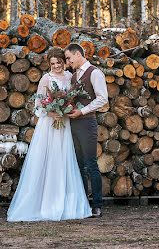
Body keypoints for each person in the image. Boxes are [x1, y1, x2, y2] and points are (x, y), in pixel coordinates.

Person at [6, 48, 92, 222]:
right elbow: (38, 105)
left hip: (65, 123)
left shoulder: (70, 77)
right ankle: (44, 203)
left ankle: (63, 202)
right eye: (52, 63)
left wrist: (65, 109)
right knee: (47, 159)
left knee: (63, 159)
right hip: (49, 125)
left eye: (59, 62)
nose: (56, 66)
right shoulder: (46, 78)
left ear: (64, 61)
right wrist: (52, 113)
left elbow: (73, 98)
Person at [65, 43, 109, 217]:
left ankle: (97, 205)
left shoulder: (95, 73)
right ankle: (83, 204)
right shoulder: (74, 76)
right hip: (74, 123)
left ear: (77, 54)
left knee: (91, 164)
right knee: (79, 165)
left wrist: (82, 111)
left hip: (87, 123)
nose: (68, 62)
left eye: (69, 58)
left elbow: (102, 99)